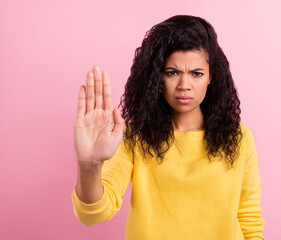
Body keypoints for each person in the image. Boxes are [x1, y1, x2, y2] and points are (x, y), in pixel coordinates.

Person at [71, 15, 265, 240]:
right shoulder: (135, 138)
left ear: (212, 77)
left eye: (197, 73)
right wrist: (89, 165)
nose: (184, 85)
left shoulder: (239, 137)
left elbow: (250, 221)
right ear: (157, 77)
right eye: (172, 72)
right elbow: (92, 215)